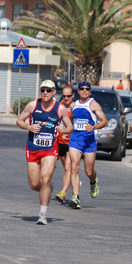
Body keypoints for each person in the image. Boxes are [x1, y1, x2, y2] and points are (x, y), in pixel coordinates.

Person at [16, 79, 72, 225]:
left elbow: (70, 127)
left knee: (45, 178)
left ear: (54, 92)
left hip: (50, 148)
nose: (45, 93)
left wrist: (63, 130)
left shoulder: (60, 108)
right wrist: (29, 127)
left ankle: (43, 214)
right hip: (33, 147)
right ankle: (48, 188)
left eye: (48, 90)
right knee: (35, 184)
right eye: (43, 90)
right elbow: (19, 120)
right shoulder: (33, 105)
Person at [67, 81, 108, 209]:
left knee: (88, 171)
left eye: (87, 89)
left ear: (90, 91)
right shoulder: (73, 105)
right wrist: (66, 129)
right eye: (82, 89)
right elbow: (70, 120)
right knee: (74, 167)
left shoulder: (94, 104)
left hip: (89, 140)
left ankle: (93, 181)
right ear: (78, 91)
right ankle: (75, 197)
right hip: (75, 139)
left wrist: (93, 126)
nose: (84, 90)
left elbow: (105, 122)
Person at [54, 85, 75, 204]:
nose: (66, 98)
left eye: (68, 96)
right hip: (59, 141)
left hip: (72, 142)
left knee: (68, 168)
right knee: (67, 168)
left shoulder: (75, 108)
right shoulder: (58, 107)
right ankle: (73, 179)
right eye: (64, 96)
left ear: (73, 96)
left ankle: (63, 193)